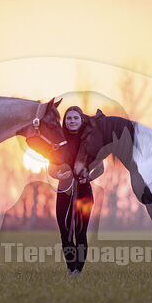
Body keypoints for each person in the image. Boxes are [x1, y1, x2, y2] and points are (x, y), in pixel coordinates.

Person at [49, 106, 104, 275]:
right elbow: (51, 169)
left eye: (75, 118)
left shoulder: (89, 141)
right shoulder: (59, 141)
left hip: (84, 193)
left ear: (81, 120)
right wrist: (59, 174)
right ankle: (70, 268)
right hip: (63, 193)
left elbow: (100, 168)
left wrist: (88, 178)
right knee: (65, 233)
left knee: (80, 233)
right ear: (64, 121)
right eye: (69, 118)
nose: (72, 121)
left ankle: (78, 271)